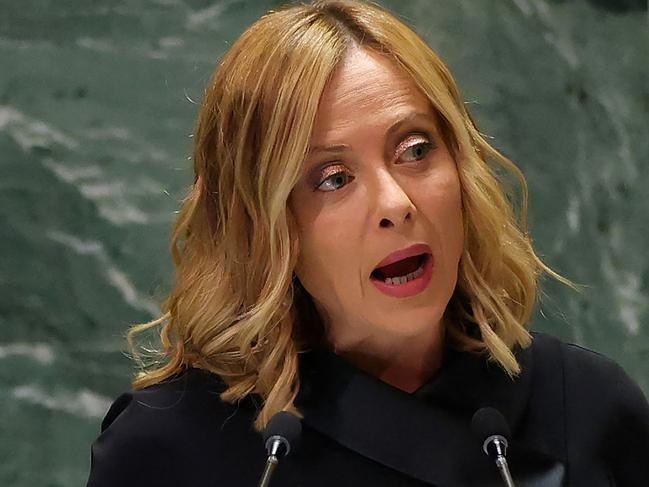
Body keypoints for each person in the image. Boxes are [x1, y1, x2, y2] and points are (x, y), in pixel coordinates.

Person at [85, 1, 649, 485]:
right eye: (333, 178)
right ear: (262, 224)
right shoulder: (170, 449)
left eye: (415, 149)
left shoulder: (587, 406)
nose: (395, 204)